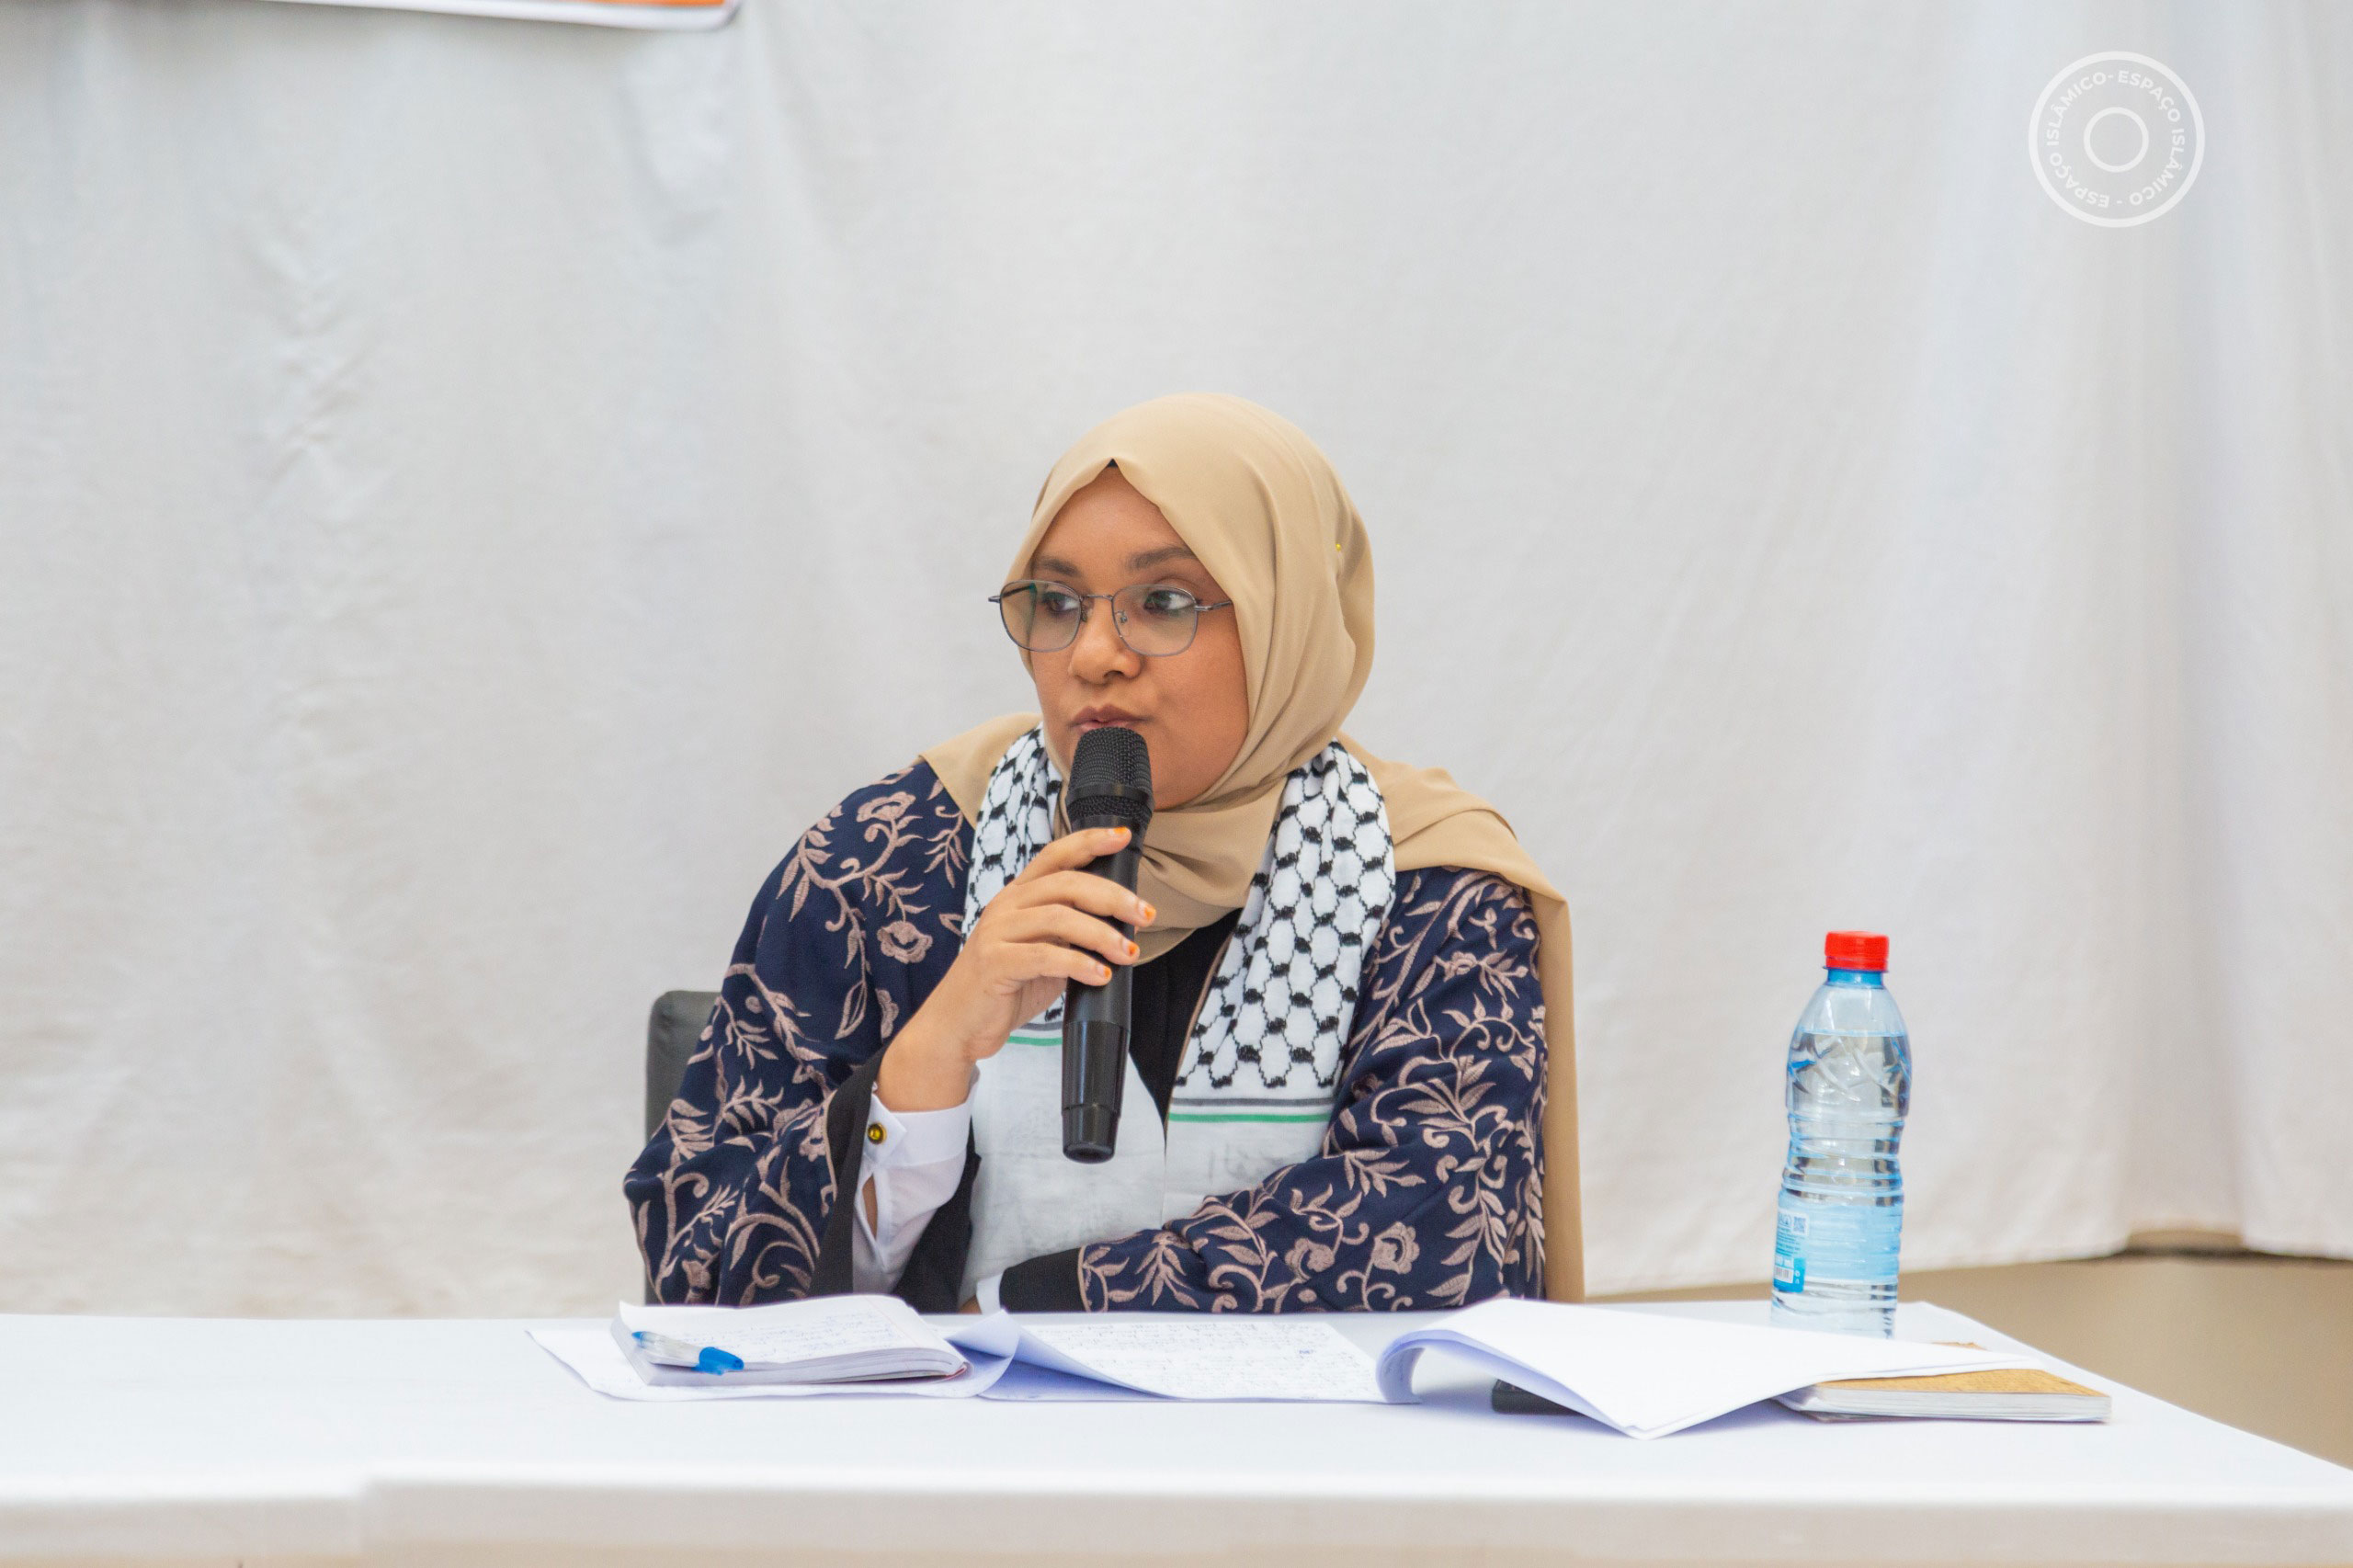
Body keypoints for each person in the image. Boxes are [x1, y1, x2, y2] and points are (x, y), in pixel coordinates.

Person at [627, 394, 1577, 1312]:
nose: (1092, 654)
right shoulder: (886, 863)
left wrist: (1034, 1304)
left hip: (1310, 1469)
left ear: (1284, 612)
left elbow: (1446, 1233)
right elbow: (698, 1262)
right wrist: (927, 1057)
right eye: (1056, 600)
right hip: (945, 1468)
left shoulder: (1429, 882)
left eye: (1162, 601)